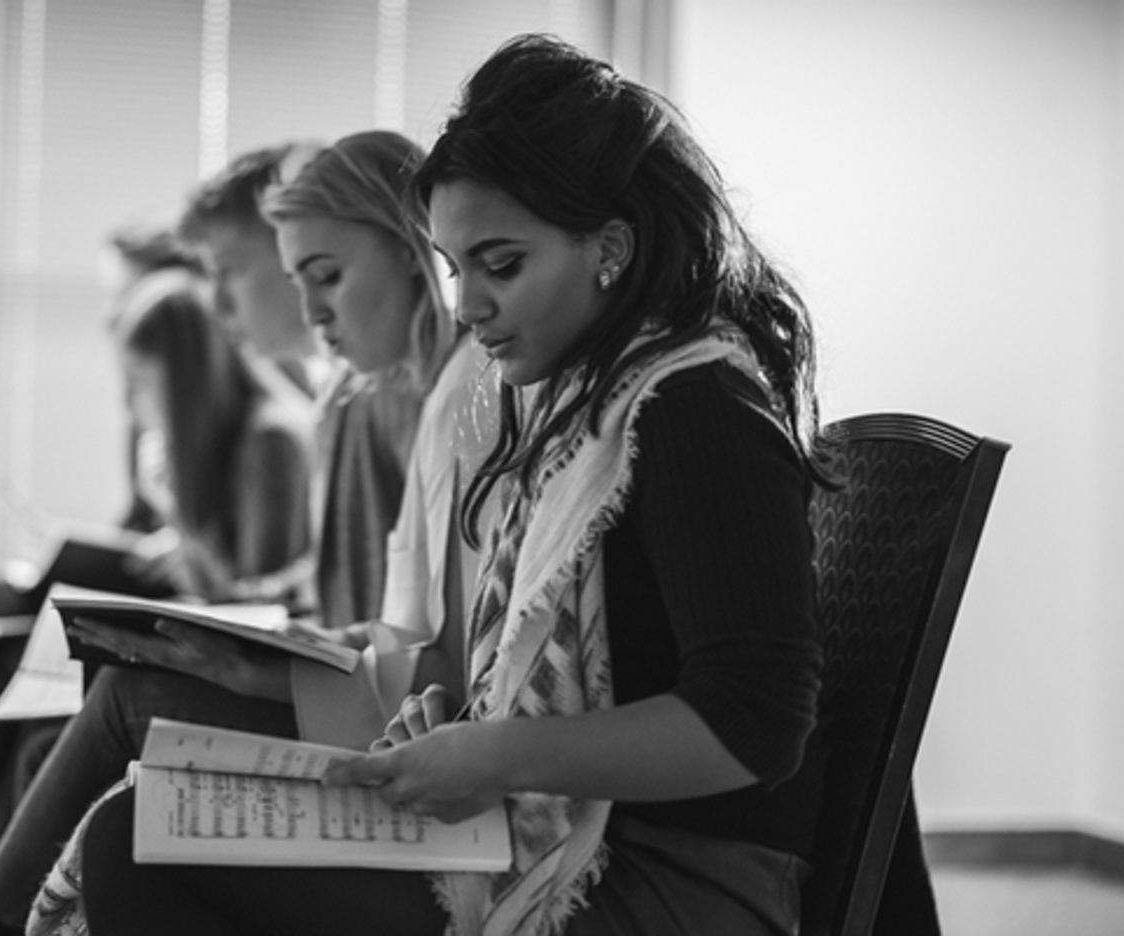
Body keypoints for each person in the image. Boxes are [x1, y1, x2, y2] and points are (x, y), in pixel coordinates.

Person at [72, 34, 828, 936]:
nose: (467, 306)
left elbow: (754, 723)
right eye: (455, 267)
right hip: (574, 834)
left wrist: (497, 752)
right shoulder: (582, 406)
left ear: (611, 248)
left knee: (137, 840)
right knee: (149, 818)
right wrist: (460, 726)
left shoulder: (697, 409)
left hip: (669, 878)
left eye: (501, 265)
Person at [0, 135, 461, 936]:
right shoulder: (376, 394)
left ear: (410, 250)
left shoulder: (397, 407)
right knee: (54, 686)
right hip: (353, 679)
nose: (227, 303)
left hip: (376, 709)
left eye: (320, 276)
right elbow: (372, 611)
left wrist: (260, 646)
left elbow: (396, 630)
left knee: (116, 704)